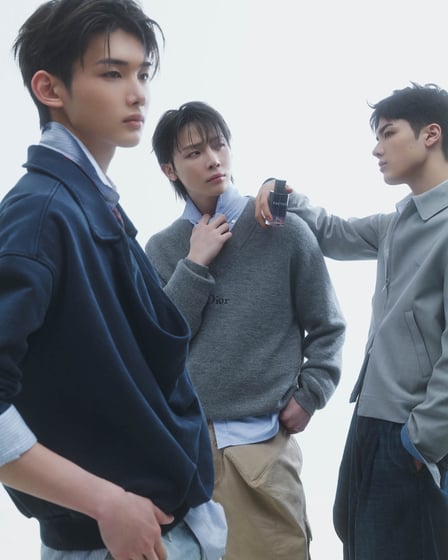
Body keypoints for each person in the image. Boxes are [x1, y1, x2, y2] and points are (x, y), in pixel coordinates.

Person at [0, 2, 227, 559]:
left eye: (142, 73)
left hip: (167, 526)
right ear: (50, 89)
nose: (138, 94)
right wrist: (105, 503)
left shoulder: (90, 203)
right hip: (113, 540)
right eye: (112, 73)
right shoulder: (41, 214)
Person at [254, 82, 448, 560]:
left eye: (388, 133)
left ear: (431, 135)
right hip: (369, 420)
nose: (377, 149)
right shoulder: (397, 222)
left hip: (412, 432)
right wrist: (278, 190)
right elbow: (332, 233)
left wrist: (423, 440)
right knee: (356, 540)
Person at [145, 100, 346, 559]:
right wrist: (194, 264)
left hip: (261, 451)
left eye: (219, 145)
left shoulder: (284, 231)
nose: (213, 159)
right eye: (194, 152)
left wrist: (311, 393)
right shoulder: (163, 249)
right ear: (169, 170)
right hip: (184, 457)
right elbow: (158, 346)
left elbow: (328, 325)